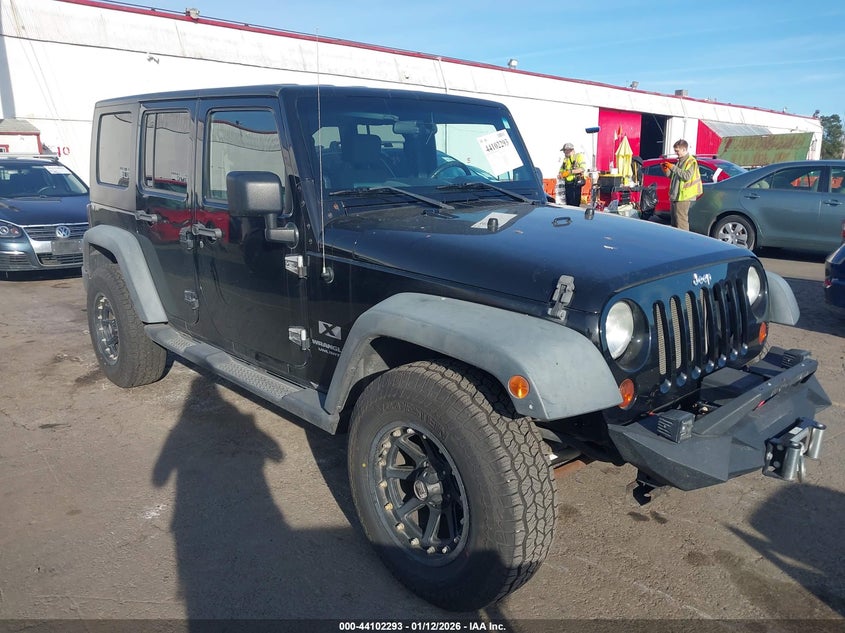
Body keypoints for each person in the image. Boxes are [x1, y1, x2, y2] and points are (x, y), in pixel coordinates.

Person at [663, 139, 702, 231]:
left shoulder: (691, 161)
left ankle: (684, 241)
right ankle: (675, 241)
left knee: (681, 222)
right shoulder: (679, 161)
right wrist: (667, 170)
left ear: (684, 149)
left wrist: (673, 167)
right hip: (675, 195)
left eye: (677, 151)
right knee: (674, 222)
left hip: (684, 196)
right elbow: (674, 177)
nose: (676, 153)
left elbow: (686, 176)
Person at [558, 142, 586, 206]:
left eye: (564, 151)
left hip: (575, 183)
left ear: (569, 150)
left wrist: (570, 172)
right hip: (568, 183)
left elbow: (582, 168)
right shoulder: (566, 159)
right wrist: (560, 174)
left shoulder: (578, 156)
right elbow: (562, 169)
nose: (564, 153)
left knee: (575, 203)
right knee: (568, 203)